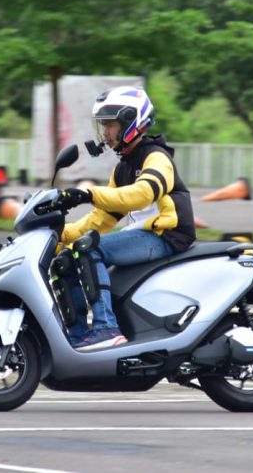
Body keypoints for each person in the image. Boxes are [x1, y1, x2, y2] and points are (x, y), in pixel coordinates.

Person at [56, 86, 196, 350]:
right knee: (65, 259)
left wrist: (87, 194)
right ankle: (77, 336)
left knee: (89, 250)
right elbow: (101, 219)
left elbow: (142, 194)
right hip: (144, 235)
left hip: (166, 235)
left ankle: (106, 329)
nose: (105, 133)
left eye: (110, 125)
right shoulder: (122, 168)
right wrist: (60, 235)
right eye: (104, 126)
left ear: (132, 121)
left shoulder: (156, 157)